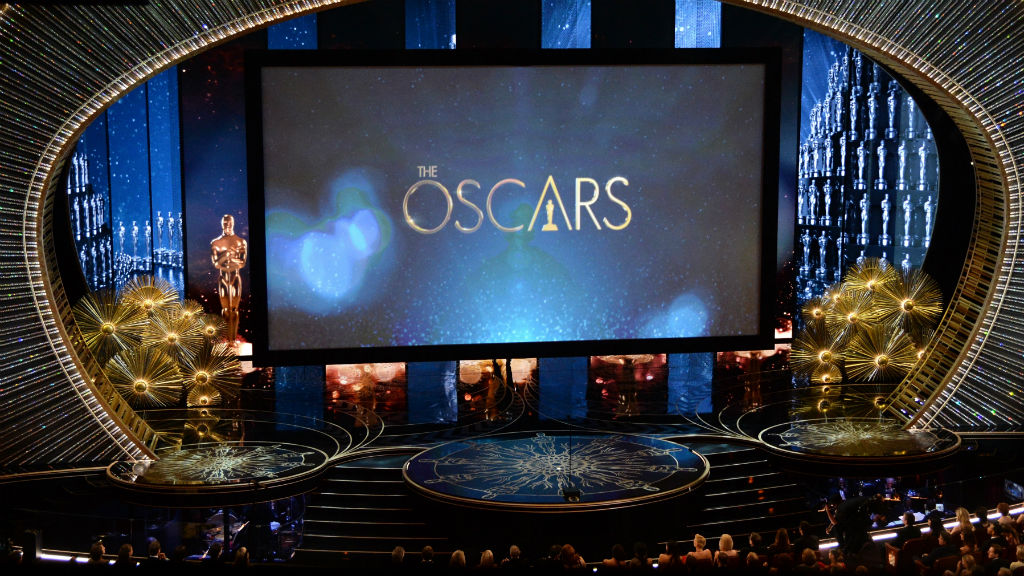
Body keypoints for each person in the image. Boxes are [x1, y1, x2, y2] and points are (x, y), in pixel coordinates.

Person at [210, 213, 247, 343]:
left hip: (235, 277)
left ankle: (233, 340)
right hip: (223, 278)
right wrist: (226, 256)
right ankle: (227, 340)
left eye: (230, 223)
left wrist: (230, 258)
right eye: (225, 223)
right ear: (222, 224)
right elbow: (216, 264)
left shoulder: (241, 241)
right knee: (225, 310)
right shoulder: (216, 243)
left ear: (233, 224)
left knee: (234, 310)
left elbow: (242, 263)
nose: (227, 225)